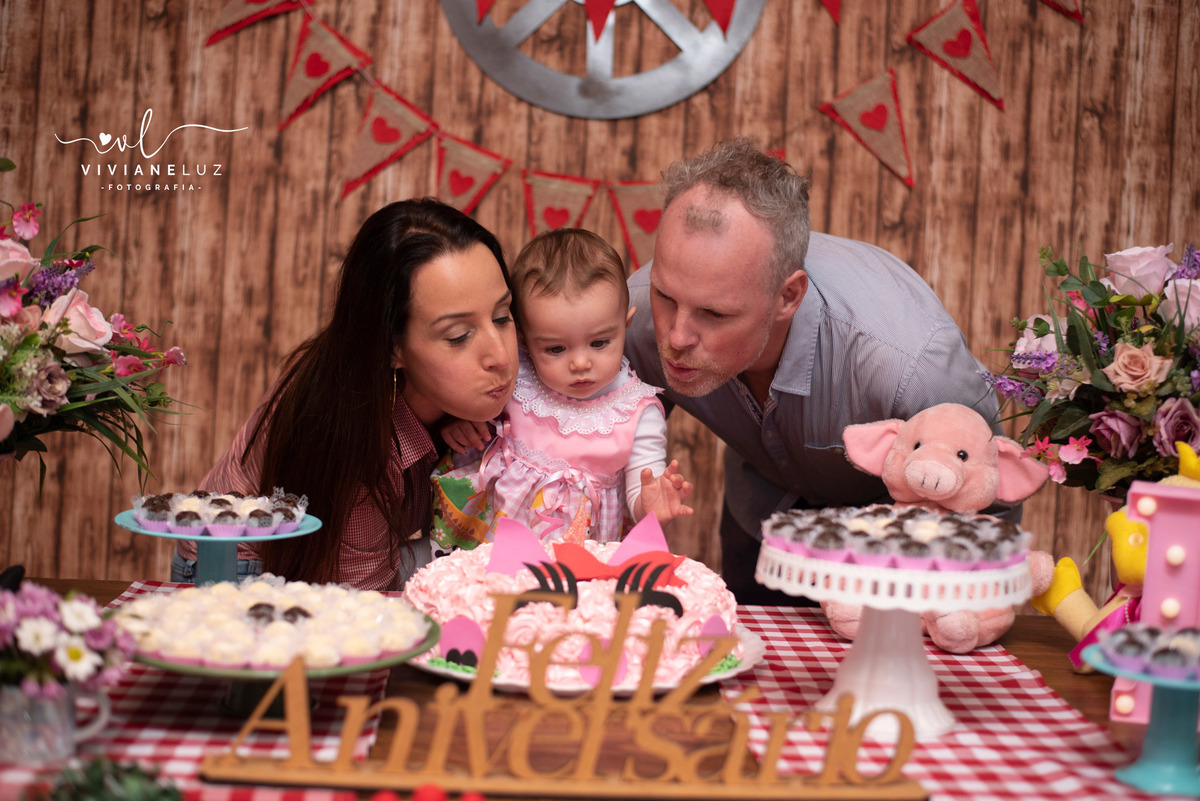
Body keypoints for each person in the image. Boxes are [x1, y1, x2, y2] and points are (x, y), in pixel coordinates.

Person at [624, 138, 1004, 604]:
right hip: (760, 516)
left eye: (714, 314)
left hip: (902, 554)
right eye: (666, 296)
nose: (676, 336)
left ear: (788, 296)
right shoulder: (631, 316)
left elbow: (990, 497)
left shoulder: (909, 364)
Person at [171, 198, 518, 590]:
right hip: (241, 566)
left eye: (504, 316)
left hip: (368, 560)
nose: (502, 356)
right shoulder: (351, 431)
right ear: (391, 347)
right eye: (458, 336)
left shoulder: (494, 383)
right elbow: (360, 604)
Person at [437, 228, 693, 546]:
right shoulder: (519, 378)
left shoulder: (637, 411)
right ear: (525, 342)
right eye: (556, 349)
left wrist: (651, 504)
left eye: (600, 342)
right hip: (498, 544)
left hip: (583, 557)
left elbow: (641, 491)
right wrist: (461, 425)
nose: (580, 363)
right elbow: (478, 414)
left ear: (625, 326)